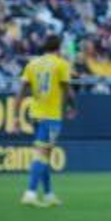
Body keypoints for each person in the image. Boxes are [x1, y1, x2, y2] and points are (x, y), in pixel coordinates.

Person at [20, 34, 73, 207]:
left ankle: (49, 195)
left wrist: (16, 116)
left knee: (44, 155)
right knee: (42, 155)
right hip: (52, 117)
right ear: (59, 48)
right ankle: (30, 192)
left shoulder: (32, 64)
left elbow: (21, 90)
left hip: (35, 115)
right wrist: (71, 107)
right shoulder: (61, 64)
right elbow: (67, 90)